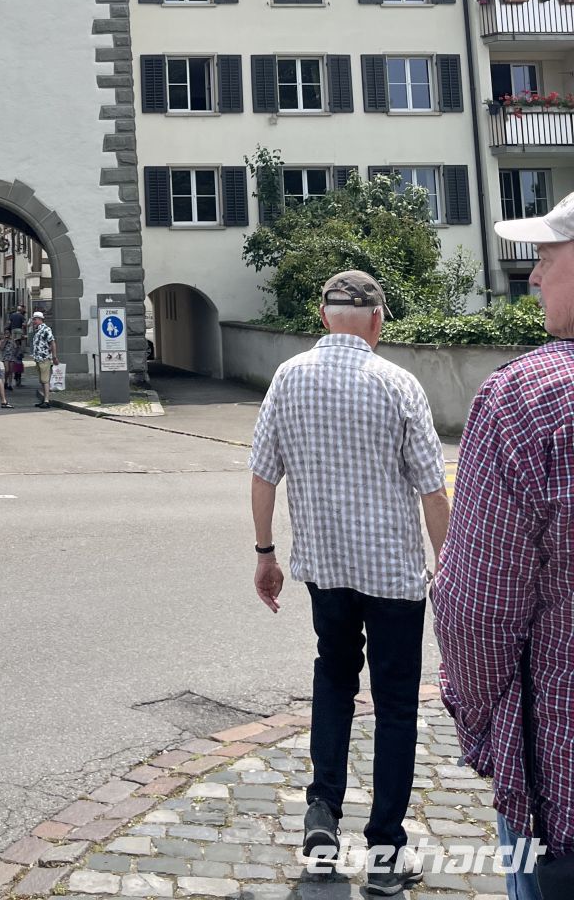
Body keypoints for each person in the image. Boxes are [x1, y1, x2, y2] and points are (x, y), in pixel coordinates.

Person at [249, 270, 450, 896]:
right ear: (377, 320)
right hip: (393, 575)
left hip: (325, 570)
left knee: (333, 678)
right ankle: (386, 851)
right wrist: (447, 569)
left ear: (321, 314)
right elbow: (431, 489)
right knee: (394, 705)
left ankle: (322, 816)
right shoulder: (398, 384)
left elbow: (263, 475)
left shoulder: (288, 378)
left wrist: (265, 553)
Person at [432, 191, 574, 899]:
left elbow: (476, 610)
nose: (533, 277)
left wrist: (487, 728)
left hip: (563, 781)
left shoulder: (528, 399)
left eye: (547, 257)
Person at [30, 310, 57, 407]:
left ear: (41, 320)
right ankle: (44, 399)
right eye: (33, 319)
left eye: (35, 319)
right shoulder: (38, 330)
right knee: (42, 380)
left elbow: (52, 342)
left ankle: (46, 401)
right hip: (38, 358)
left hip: (44, 358)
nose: (34, 321)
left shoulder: (46, 329)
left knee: (45, 380)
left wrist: (54, 356)